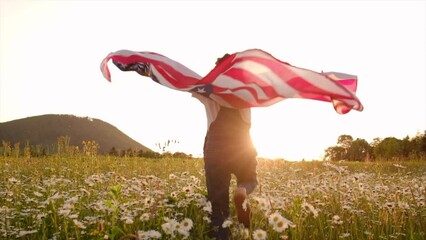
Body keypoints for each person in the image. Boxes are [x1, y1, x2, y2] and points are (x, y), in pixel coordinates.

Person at [192, 54, 258, 240]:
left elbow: (184, 83)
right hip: (242, 144)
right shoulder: (246, 92)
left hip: (215, 146)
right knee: (249, 178)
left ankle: (222, 236)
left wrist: (148, 70)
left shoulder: (209, 91)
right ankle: (242, 190)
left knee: (218, 204)